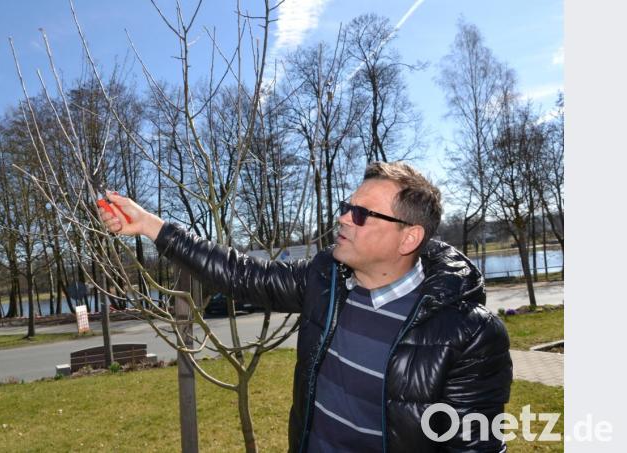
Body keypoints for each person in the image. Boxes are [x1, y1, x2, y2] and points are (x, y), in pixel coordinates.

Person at [100, 161, 512, 452]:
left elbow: (473, 447)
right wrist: (152, 226)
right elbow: (241, 274)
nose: (345, 219)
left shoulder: (470, 335)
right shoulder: (324, 281)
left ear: (408, 238)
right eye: (346, 208)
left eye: (362, 214)